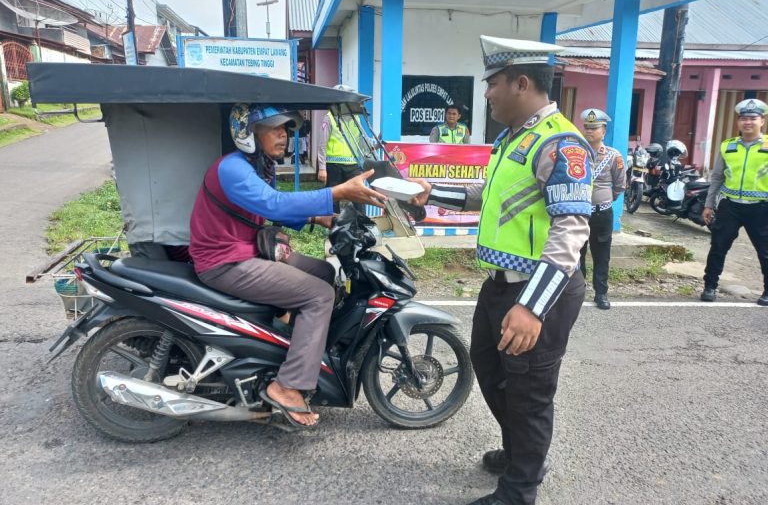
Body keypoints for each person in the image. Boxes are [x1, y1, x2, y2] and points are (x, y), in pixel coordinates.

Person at [410, 36, 592, 505]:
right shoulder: (513, 139)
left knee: (529, 391)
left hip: (539, 292)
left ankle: (521, 487)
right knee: (492, 374)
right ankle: (521, 453)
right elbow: (485, 200)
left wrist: (531, 308)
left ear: (522, 83)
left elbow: (571, 232)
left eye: (492, 84)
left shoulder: (560, 143)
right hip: (498, 286)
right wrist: (431, 197)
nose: (486, 94)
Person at [188, 103, 387, 428]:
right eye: (274, 128)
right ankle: (288, 385)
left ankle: (290, 346)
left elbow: (272, 209)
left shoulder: (257, 167)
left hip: (247, 250)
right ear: (248, 133)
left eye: (286, 129)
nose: (284, 135)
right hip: (227, 261)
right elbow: (272, 203)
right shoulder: (233, 169)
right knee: (319, 295)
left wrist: (319, 217)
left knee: (325, 272)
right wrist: (335, 191)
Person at [701, 98, 768, 306]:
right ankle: (710, 286)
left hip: (761, 208)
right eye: (743, 118)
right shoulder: (728, 146)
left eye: (753, 118)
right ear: (738, 122)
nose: (747, 122)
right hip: (730, 206)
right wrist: (709, 204)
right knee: (718, 247)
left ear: (762, 121)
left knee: (765, 251)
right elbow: (717, 177)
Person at [578, 108, 625, 310]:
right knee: (577, 252)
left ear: (603, 131)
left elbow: (619, 185)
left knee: (601, 254)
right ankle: (577, 291)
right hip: (579, 212)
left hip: (601, 213)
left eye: (594, 128)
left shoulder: (614, 156)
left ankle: (601, 293)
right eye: (586, 128)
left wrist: (603, 200)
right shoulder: (576, 153)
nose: (589, 131)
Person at [317, 84, 364, 213]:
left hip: (353, 164)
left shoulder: (356, 117)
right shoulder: (329, 117)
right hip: (333, 165)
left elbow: (360, 140)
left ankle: (362, 227)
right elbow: (322, 144)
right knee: (333, 199)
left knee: (359, 196)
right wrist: (322, 168)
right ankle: (334, 226)